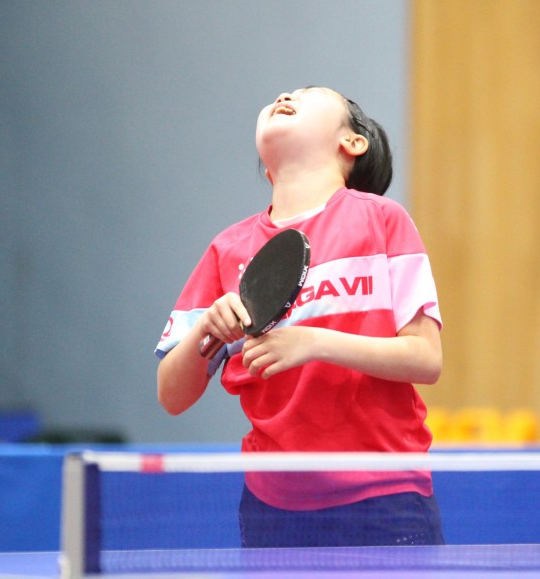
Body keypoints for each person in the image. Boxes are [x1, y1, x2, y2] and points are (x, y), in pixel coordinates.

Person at [155, 86, 444, 547]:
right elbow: (171, 396)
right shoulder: (228, 250)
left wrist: (315, 343)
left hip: (384, 496)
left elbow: (426, 359)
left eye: (309, 93)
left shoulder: (382, 221)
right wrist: (206, 330)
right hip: (272, 506)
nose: (286, 94)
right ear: (267, 165)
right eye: (285, 93)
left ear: (352, 142)